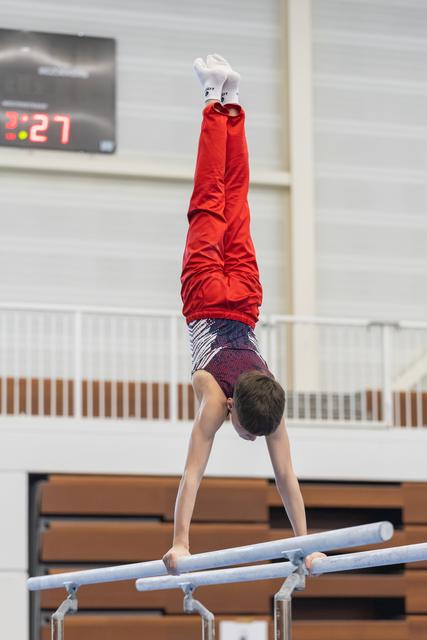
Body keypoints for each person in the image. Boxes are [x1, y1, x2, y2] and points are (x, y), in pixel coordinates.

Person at [163, 54, 326, 575]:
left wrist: (309, 544)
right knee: (212, 200)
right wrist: (179, 544)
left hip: (247, 297)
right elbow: (194, 473)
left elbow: (285, 480)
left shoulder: (271, 400)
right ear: (234, 404)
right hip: (208, 294)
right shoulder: (216, 399)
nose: (247, 436)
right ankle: (214, 99)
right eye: (247, 432)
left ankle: (232, 104)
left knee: (235, 203)